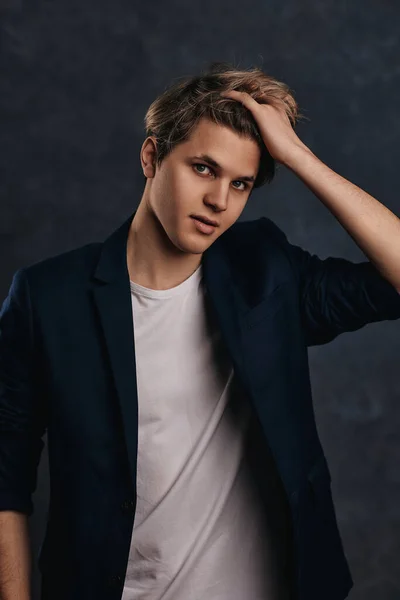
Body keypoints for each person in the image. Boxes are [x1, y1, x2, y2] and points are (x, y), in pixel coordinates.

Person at [1, 61, 400, 600]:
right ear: (151, 157)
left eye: (241, 183)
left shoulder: (265, 273)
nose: (220, 201)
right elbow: (6, 477)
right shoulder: (48, 299)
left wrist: (298, 157)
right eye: (204, 169)